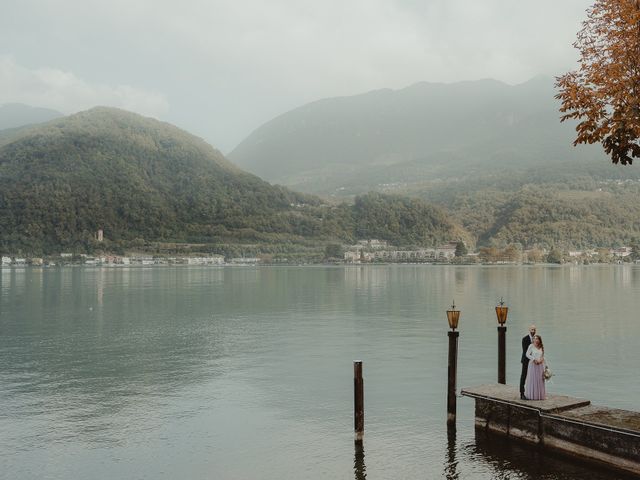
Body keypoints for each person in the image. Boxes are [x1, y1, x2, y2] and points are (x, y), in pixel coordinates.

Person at [524, 335, 546, 400]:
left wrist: (541, 360)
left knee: (540, 380)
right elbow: (527, 354)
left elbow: (542, 355)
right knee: (533, 379)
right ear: (533, 340)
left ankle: (540, 395)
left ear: (539, 340)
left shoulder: (541, 346)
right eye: (535, 339)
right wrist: (534, 359)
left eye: (537, 339)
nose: (536, 340)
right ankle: (533, 395)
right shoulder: (531, 346)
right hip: (533, 365)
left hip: (540, 365)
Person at [520, 325, 536, 400]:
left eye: (534, 329)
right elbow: (525, 351)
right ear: (529, 330)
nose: (533, 331)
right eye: (532, 329)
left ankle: (531, 393)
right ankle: (522, 393)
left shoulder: (536, 338)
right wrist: (533, 358)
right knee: (524, 376)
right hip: (526, 361)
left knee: (532, 377)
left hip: (533, 361)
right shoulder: (525, 339)